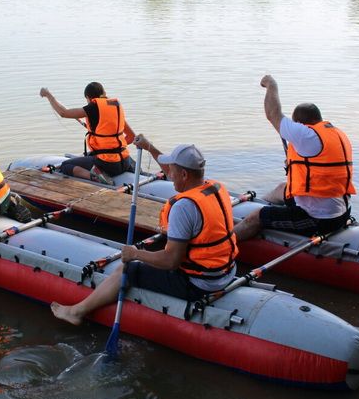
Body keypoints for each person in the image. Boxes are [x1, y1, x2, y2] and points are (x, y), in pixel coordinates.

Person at [51, 139, 238, 325]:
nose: (169, 175)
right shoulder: (216, 187)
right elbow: (175, 174)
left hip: (198, 284)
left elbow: (171, 261)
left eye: (172, 170)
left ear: (183, 174)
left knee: (128, 268)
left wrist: (135, 254)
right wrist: (149, 147)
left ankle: (77, 312)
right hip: (227, 272)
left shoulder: (184, 207)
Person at [234, 75, 356, 241]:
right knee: (281, 189)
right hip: (340, 210)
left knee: (256, 217)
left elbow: (272, 114)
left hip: (317, 219)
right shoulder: (334, 134)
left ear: (299, 123)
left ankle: (221, 249)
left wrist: (271, 84)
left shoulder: (306, 135)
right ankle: (254, 206)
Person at [39, 82, 136, 185]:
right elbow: (131, 137)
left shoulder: (93, 107)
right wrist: (111, 149)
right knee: (91, 154)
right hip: (125, 162)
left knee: (66, 166)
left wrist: (48, 95)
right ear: (103, 93)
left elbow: (63, 113)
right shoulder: (115, 108)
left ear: (88, 98)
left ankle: (96, 177)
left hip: (108, 165)